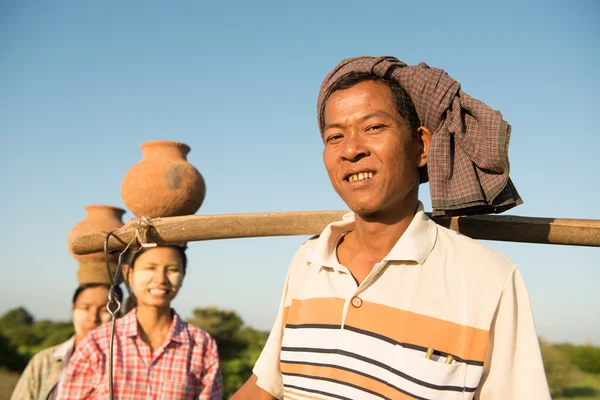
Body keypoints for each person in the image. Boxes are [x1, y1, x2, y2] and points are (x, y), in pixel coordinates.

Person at [233, 56, 550, 399]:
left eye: (374, 127)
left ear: (422, 146)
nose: (351, 150)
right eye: (335, 136)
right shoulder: (310, 259)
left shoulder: (489, 279)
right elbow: (266, 387)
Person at [58, 245, 224, 399]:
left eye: (172, 270)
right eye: (150, 268)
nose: (161, 279)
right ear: (128, 273)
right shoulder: (98, 343)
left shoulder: (201, 345)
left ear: (183, 275)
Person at [10, 283, 123, 400]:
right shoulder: (44, 361)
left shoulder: (128, 364)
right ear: (73, 311)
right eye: (85, 308)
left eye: (105, 309)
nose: (93, 318)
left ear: (119, 316)